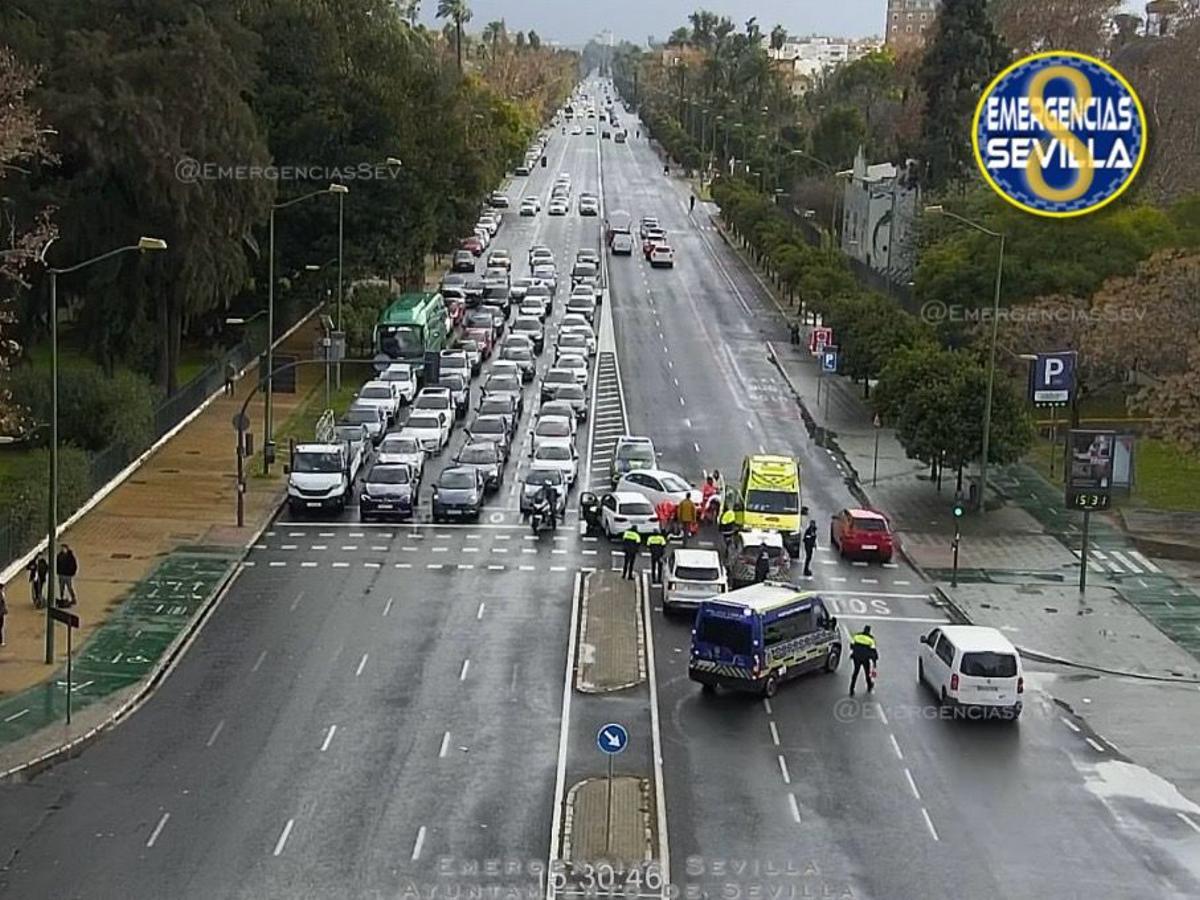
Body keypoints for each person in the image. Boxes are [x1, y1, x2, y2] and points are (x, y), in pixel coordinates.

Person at [849, 625, 878, 696]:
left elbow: (851, 646)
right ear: (869, 631)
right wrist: (874, 662)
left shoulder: (857, 636)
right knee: (867, 673)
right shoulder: (871, 639)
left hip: (856, 657)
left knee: (855, 672)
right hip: (865, 658)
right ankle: (869, 686)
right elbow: (873, 651)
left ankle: (851, 689)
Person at [0, 581, 7, 646]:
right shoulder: (2, 595)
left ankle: (1, 640)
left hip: (1, 613)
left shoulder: (2, 594)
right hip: (1, 613)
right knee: (1, 626)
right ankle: (1, 641)